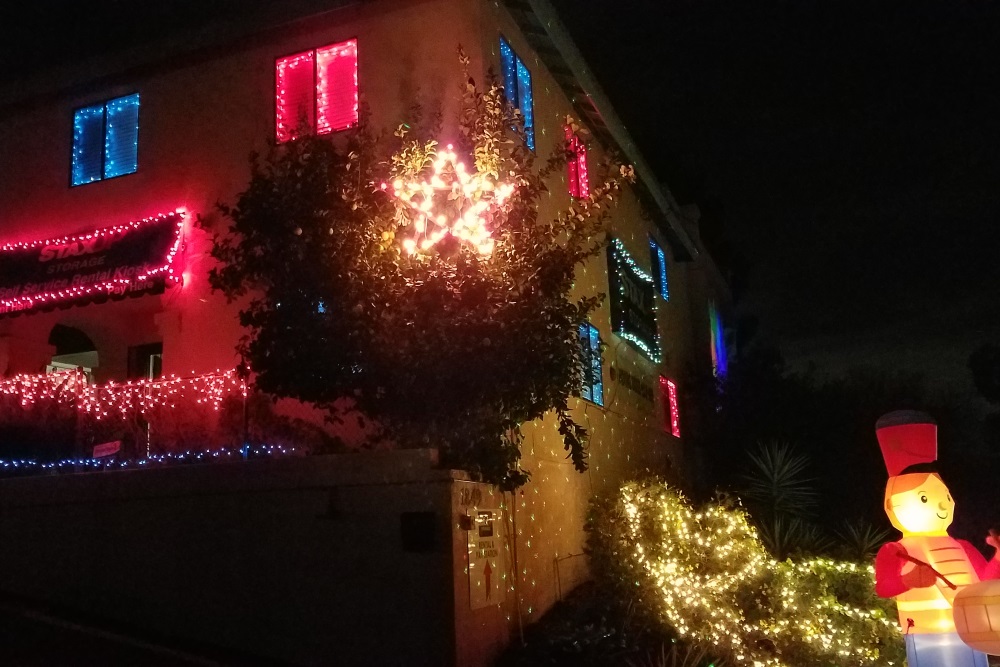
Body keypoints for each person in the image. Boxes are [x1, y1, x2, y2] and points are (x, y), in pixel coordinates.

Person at [874, 410, 1000, 667]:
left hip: (969, 632)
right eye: (924, 497)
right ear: (892, 503)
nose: (942, 505)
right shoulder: (895, 549)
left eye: (944, 495)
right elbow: (883, 586)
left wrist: (998, 556)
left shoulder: (961, 546)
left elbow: (984, 582)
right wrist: (907, 580)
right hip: (924, 634)